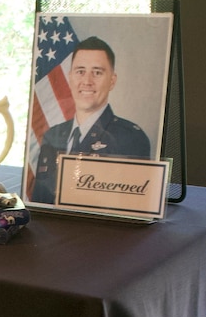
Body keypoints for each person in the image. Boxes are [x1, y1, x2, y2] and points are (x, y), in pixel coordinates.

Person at [29, 36, 151, 203]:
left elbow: (131, 206)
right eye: (80, 72)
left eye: (97, 72)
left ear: (112, 81)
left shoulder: (130, 139)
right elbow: (40, 202)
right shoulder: (53, 135)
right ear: (70, 78)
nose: (87, 81)